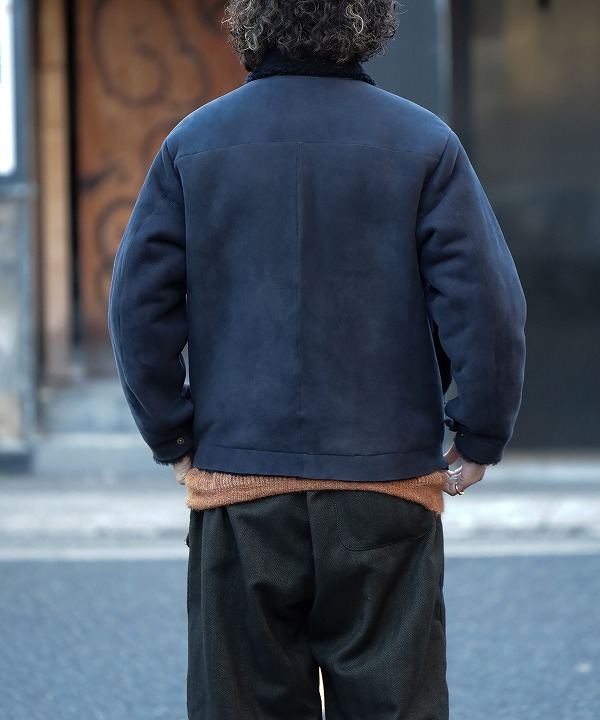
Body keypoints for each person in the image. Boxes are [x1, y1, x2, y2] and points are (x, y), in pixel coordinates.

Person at [109, 1, 526, 718]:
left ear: (251, 18)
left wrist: (171, 434)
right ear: (369, 19)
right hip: (385, 481)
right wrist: (480, 431)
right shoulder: (425, 143)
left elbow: (137, 308)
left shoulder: (192, 144)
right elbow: (488, 307)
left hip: (239, 485)